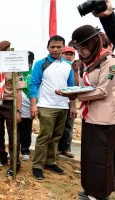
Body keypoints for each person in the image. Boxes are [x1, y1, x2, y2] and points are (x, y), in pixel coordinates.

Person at [58, 24, 115, 200]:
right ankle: (90, 188)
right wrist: (75, 75)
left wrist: (76, 96)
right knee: (89, 156)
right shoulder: (89, 64)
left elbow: (103, 90)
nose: (81, 52)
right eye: (78, 48)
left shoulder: (110, 62)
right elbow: (82, 86)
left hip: (104, 118)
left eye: (84, 47)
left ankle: (100, 194)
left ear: (94, 43)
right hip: (89, 115)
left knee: (102, 159)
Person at [29, 35, 76, 180]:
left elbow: (71, 88)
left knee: (56, 136)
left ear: (63, 48)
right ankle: (37, 165)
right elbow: (34, 84)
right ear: (48, 48)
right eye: (52, 47)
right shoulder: (40, 64)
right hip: (46, 105)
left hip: (63, 106)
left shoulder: (68, 66)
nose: (55, 49)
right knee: (45, 136)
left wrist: (72, 106)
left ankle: (50, 161)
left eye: (58, 47)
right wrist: (33, 105)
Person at [0, 41, 24, 177]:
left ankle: (15, 163)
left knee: (13, 134)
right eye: (0, 54)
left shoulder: (15, 68)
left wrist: (18, 110)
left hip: (11, 103)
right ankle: (1, 157)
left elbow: (19, 91)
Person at [57, 46, 76, 158]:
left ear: (74, 56)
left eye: (71, 54)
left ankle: (66, 148)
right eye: (66, 54)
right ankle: (58, 148)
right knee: (59, 125)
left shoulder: (75, 68)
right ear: (62, 54)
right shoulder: (59, 66)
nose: (68, 56)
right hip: (59, 98)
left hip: (70, 99)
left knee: (69, 124)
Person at [19, 51, 34, 162]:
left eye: (29, 61)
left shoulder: (34, 73)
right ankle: (14, 150)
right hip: (17, 107)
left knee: (26, 130)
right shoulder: (17, 73)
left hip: (29, 106)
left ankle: (25, 150)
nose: (26, 64)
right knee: (15, 130)